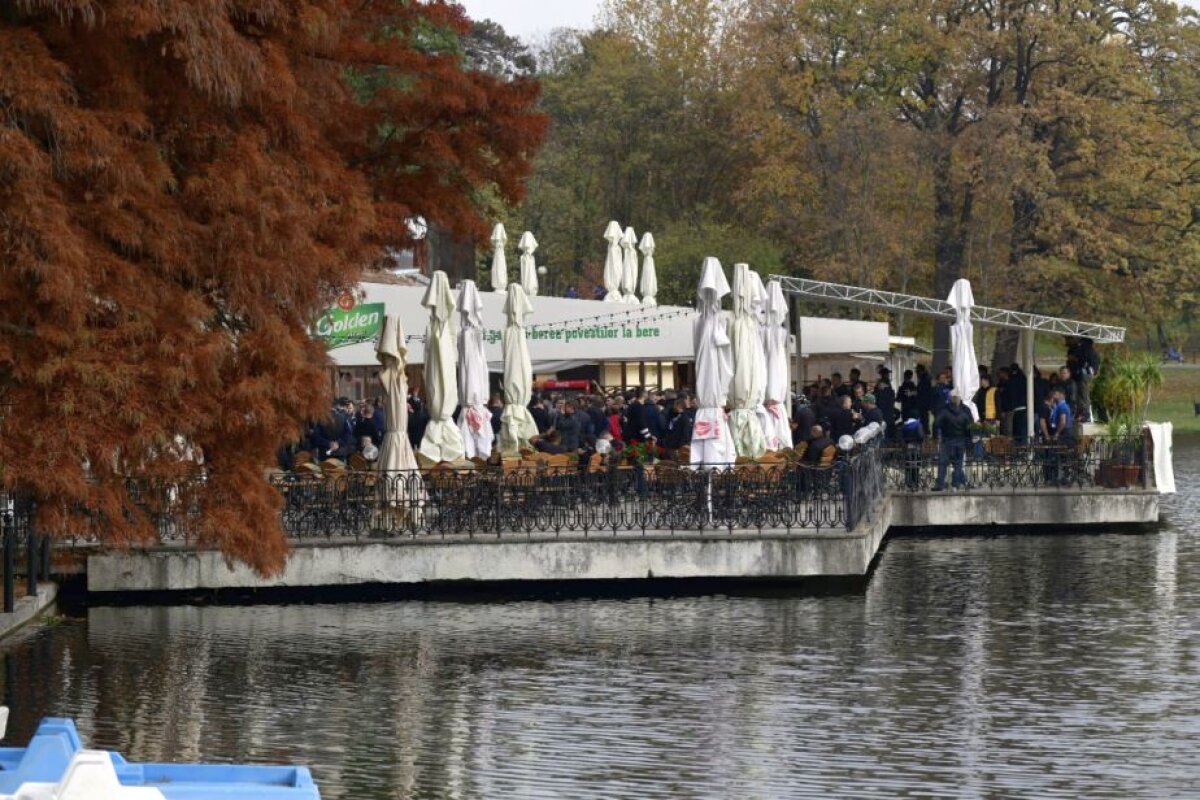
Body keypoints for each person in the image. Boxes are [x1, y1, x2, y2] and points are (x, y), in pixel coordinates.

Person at [933, 390, 973, 491]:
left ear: (951, 398)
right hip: (960, 441)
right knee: (958, 464)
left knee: (943, 463)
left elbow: (936, 423)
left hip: (947, 440)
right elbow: (970, 428)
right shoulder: (965, 412)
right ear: (960, 398)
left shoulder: (944, 410)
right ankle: (956, 484)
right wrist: (969, 440)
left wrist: (936, 435)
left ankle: (940, 484)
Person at [900, 413, 926, 490]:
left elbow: (901, 437)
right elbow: (921, 436)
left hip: (908, 447)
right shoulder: (918, 424)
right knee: (916, 466)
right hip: (916, 447)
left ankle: (908, 482)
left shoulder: (905, 425)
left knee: (908, 465)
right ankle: (915, 482)